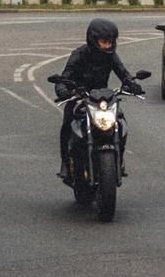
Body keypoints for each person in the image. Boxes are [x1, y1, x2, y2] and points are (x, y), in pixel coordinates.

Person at [49, 17, 142, 180]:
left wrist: (131, 84)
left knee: (119, 119)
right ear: (93, 40)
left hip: (101, 98)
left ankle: (119, 157)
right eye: (104, 41)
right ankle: (65, 162)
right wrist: (63, 90)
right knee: (68, 122)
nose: (108, 45)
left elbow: (123, 72)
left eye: (110, 42)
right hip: (79, 96)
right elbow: (65, 76)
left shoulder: (111, 56)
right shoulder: (78, 55)